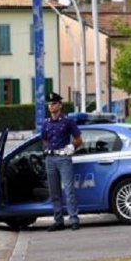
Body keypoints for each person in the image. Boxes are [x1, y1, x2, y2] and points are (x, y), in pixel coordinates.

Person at [41, 92, 83, 231]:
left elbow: (79, 140)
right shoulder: (46, 123)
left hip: (64, 158)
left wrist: (72, 147)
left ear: (60, 105)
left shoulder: (67, 121)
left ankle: (73, 219)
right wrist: (47, 150)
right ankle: (58, 220)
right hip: (50, 159)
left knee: (69, 190)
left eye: (53, 103)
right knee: (54, 192)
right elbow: (45, 140)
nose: (51, 106)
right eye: (49, 104)